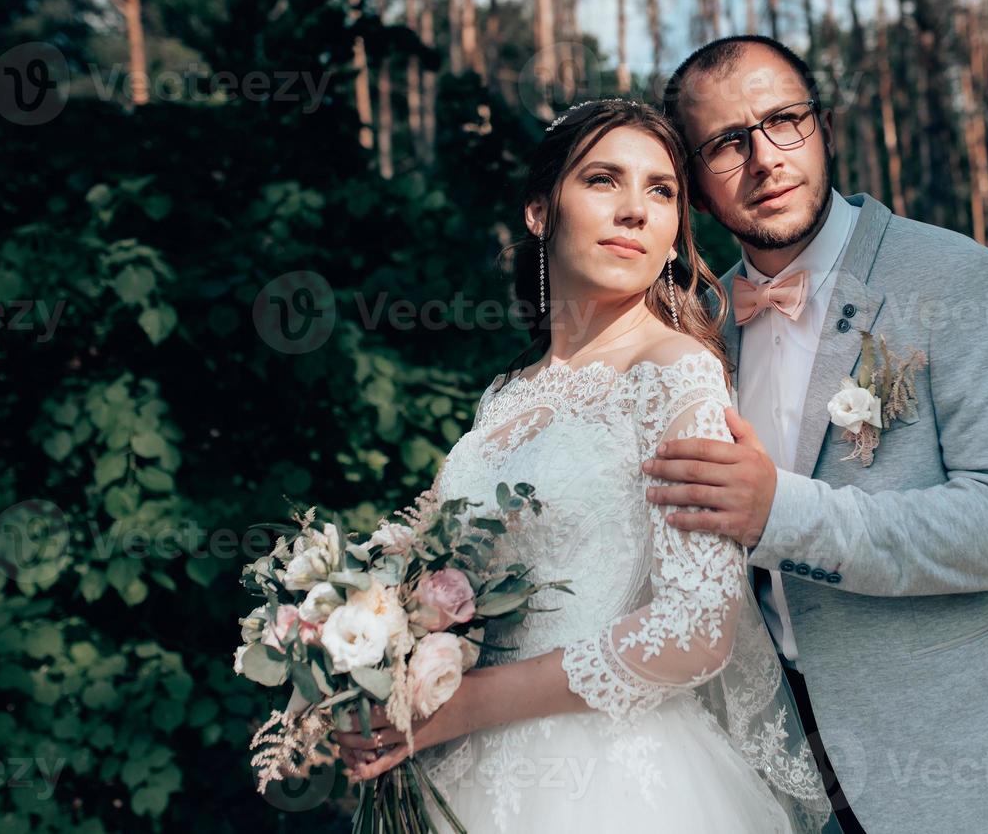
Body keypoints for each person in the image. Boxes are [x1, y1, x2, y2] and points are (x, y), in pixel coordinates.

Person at [640, 35, 988, 833]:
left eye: (784, 120)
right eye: (727, 143)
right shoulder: (699, 327)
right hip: (779, 768)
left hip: (957, 759)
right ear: (691, 181)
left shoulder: (960, 280)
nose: (764, 158)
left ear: (823, 127)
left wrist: (780, 515)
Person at [334, 98, 832, 833]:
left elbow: (696, 630)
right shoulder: (505, 394)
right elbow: (434, 578)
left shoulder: (677, 372)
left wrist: (465, 703)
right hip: (456, 770)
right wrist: (375, 662)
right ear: (540, 212)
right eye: (604, 180)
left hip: (608, 782)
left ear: (673, 238)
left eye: (661, 191)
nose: (635, 210)